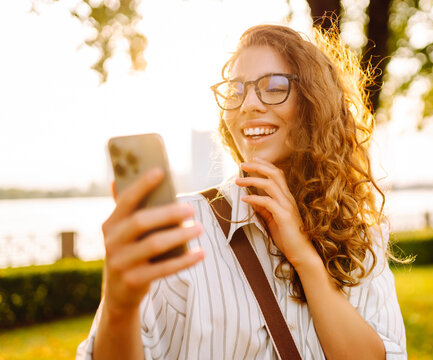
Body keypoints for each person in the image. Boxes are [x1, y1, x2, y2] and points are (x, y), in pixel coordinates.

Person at [77, 24, 407, 360]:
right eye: (236, 90)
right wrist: (118, 307)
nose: (248, 104)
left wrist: (304, 257)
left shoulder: (361, 235)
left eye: (274, 87)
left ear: (315, 104)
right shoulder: (182, 230)